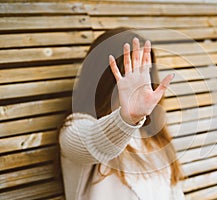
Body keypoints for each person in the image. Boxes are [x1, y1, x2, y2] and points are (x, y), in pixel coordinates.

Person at [59, 28, 185, 200]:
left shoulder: (155, 139)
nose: (142, 80)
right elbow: (95, 143)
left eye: (145, 69)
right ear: (105, 77)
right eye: (131, 69)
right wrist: (128, 119)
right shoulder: (75, 129)